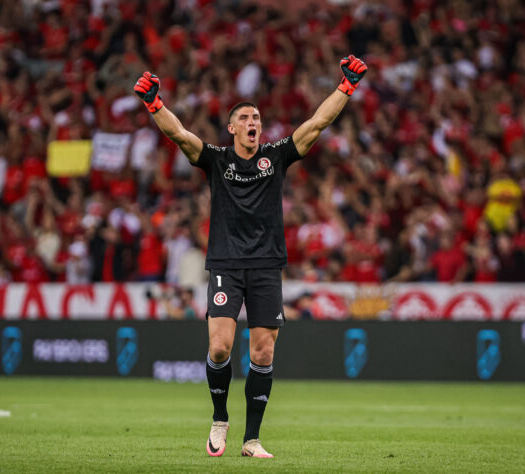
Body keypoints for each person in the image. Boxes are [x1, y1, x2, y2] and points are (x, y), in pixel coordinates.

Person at [134, 54, 367, 458]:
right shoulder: (217, 160)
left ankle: (252, 439)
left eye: (256, 117)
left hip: (265, 264)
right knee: (221, 347)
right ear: (232, 128)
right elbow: (180, 135)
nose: (252, 122)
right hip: (225, 263)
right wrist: (155, 104)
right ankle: (220, 418)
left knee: (263, 351)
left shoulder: (274, 157)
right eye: (245, 118)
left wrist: (345, 87)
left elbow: (317, 124)